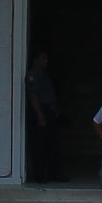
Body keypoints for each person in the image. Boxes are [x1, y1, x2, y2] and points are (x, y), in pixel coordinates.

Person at [24, 51, 62, 183]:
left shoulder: (45, 75)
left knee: (52, 144)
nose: (46, 62)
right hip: (39, 112)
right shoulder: (33, 75)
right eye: (43, 59)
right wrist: (40, 115)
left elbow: (49, 96)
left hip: (48, 111)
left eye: (46, 59)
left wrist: (54, 111)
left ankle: (53, 173)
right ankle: (39, 176)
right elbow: (33, 95)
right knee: (39, 145)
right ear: (36, 61)